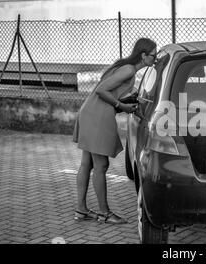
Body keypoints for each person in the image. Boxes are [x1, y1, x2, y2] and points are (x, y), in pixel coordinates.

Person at [72, 38, 157, 224]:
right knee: (101, 166)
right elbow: (102, 91)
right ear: (143, 55)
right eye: (153, 55)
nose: (155, 58)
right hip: (97, 116)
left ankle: (81, 210)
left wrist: (126, 101)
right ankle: (105, 213)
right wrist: (121, 105)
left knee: (87, 163)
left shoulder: (124, 66)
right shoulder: (128, 70)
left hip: (89, 111)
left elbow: (109, 92)